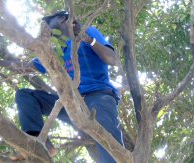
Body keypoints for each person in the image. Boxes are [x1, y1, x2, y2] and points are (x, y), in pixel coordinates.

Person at [12, 11, 124, 162]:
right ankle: (41, 145)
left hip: (97, 96)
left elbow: (112, 59)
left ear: (61, 18)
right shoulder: (54, 50)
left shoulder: (87, 32)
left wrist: (87, 39)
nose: (46, 28)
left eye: (48, 23)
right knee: (25, 95)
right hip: (70, 103)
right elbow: (24, 67)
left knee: (107, 137)